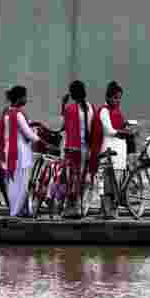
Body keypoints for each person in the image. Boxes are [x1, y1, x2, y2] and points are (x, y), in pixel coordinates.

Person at [88, 81, 131, 217]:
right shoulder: (104, 111)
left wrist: (126, 127)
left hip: (119, 151)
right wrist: (124, 132)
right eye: (115, 98)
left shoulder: (116, 111)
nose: (117, 101)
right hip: (107, 149)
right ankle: (106, 211)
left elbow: (119, 126)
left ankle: (111, 211)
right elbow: (109, 130)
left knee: (115, 182)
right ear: (107, 97)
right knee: (106, 182)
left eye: (119, 98)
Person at [0, 85, 42, 217]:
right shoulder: (18, 114)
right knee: (23, 184)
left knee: (13, 184)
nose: (26, 99)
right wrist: (44, 142)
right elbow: (29, 135)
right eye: (25, 96)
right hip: (20, 154)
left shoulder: (6, 112)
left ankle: (19, 210)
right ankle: (16, 213)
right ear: (19, 98)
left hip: (8, 152)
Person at [60, 80, 94, 216]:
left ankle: (70, 208)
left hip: (73, 149)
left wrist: (63, 104)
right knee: (83, 176)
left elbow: (64, 126)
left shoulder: (70, 109)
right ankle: (81, 206)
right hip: (87, 149)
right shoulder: (91, 107)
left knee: (71, 178)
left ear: (72, 94)